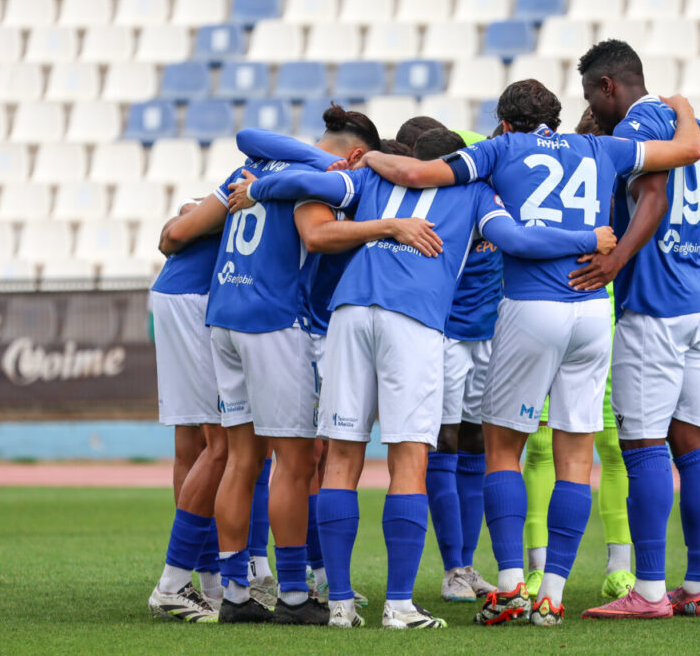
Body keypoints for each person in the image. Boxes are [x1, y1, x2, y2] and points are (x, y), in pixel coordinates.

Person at [226, 128, 618, 629]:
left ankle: (340, 605)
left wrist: (257, 188)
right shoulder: (476, 192)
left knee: (341, 457)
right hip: (413, 320)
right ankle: (399, 606)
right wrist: (590, 239)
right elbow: (517, 240)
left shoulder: (371, 179)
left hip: (348, 313)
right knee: (408, 459)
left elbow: (305, 181)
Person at [357, 79, 700, 626]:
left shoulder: (501, 148)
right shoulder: (602, 147)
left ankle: (512, 587)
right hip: (593, 311)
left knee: (502, 450)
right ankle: (554, 596)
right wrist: (682, 106)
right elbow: (688, 150)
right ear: (557, 119)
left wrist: (371, 156)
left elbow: (418, 173)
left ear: (504, 122)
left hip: (531, 306)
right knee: (576, 458)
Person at [159, 105, 409, 625]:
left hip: (224, 315)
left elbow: (247, 134)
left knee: (240, 457)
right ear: (357, 155)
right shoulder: (322, 181)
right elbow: (316, 236)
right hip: (273, 321)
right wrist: (385, 225)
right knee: (295, 463)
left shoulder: (254, 165)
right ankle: (295, 595)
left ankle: (234, 592)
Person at [576, 39, 700, 621]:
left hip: (656, 308)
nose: (591, 109)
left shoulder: (634, 128)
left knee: (642, 446)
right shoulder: (692, 128)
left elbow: (651, 196)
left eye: (590, 96)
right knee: (690, 444)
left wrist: (616, 259)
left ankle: (650, 591)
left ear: (608, 86)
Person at [522, 109, 635, 603]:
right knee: (544, 444)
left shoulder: (629, 179)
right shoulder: (571, 163)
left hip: (602, 307)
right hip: (560, 298)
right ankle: (539, 569)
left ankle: (618, 569)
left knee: (610, 443)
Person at [408, 127, 498, 604]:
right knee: (444, 442)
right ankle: (453, 569)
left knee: (476, 442)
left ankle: (467, 564)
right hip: (447, 336)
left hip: (490, 334)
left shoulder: (487, 195)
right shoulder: (428, 211)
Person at [146, 199, 228, 623]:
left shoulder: (253, 178)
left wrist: (195, 212)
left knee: (193, 442)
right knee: (223, 445)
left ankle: (210, 581)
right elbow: (173, 233)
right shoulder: (274, 177)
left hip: (178, 293)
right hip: (197, 299)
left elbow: (174, 230)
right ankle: (177, 583)